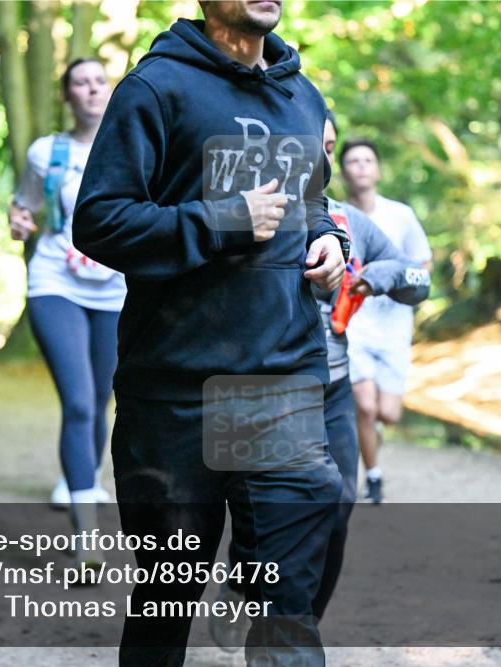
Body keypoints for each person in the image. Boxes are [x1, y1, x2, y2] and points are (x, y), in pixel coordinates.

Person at [73, 2, 350, 664]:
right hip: (174, 394)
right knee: (167, 598)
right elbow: (100, 220)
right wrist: (221, 220)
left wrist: (328, 242)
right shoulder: (155, 89)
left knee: (288, 603)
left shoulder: (303, 96)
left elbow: (311, 203)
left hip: (280, 381)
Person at [208, 112, 432, 650]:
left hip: (331, 381)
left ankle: (292, 624)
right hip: (263, 387)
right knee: (270, 515)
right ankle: (253, 593)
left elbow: (419, 281)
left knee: (335, 509)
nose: (326, 158)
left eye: (331, 146)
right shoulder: (252, 212)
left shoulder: (351, 220)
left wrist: (379, 276)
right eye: (316, 146)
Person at [8, 59, 123, 530]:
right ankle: (86, 533)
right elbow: (24, 205)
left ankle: (81, 477)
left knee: (100, 401)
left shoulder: (134, 149)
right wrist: (18, 221)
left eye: (100, 82)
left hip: (116, 288)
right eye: (81, 82)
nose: (93, 90)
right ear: (66, 95)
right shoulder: (44, 152)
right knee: (78, 401)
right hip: (56, 281)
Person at [339, 139, 432, 504]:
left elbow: (423, 264)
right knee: (364, 404)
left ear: (377, 170)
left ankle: (372, 429)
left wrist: (389, 280)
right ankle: (373, 476)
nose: (361, 166)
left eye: (367, 160)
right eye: (352, 161)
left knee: (387, 414)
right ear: (343, 171)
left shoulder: (401, 216)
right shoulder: (336, 216)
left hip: (394, 325)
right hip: (353, 324)